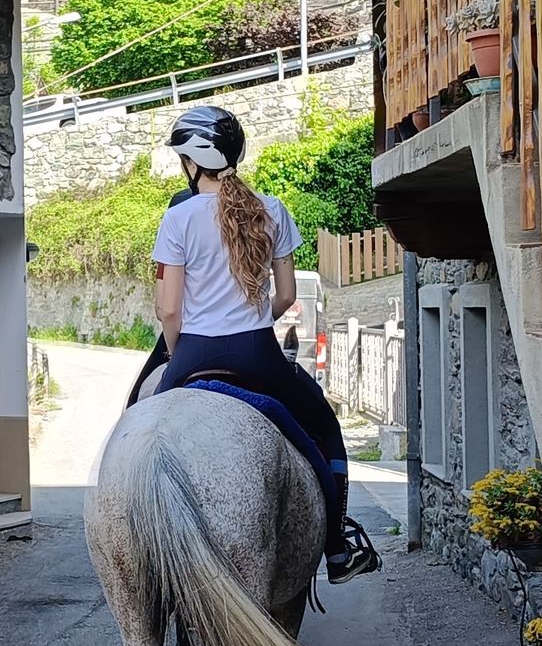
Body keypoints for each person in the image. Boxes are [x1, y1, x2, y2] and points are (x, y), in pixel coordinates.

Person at [150, 104, 381, 585]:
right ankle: (337, 549)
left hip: (192, 352)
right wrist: (256, 319)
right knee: (324, 426)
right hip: (258, 354)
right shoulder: (271, 209)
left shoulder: (178, 217)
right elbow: (289, 297)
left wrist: (176, 351)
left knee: (143, 424)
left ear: (192, 163)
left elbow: (169, 310)